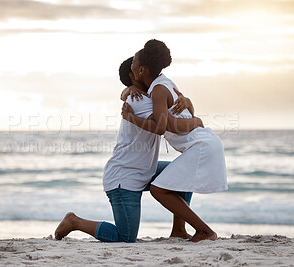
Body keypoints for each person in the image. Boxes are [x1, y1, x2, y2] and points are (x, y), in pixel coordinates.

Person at [54, 57, 202, 242]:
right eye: (140, 68)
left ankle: (179, 230)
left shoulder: (151, 94)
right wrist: (196, 122)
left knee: (183, 173)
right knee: (125, 237)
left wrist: (186, 102)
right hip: (124, 177)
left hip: (145, 170)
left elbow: (182, 110)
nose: (146, 70)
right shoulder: (138, 100)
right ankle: (74, 221)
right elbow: (162, 126)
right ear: (134, 75)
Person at [122, 39, 228, 242]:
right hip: (204, 142)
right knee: (178, 180)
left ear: (142, 70)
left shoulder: (159, 90)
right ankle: (179, 230)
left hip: (202, 145)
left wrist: (131, 118)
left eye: (134, 61)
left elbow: (163, 126)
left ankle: (205, 231)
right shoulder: (164, 84)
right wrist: (128, 90)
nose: (132, 63)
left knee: (158, 190)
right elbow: (185, 113)